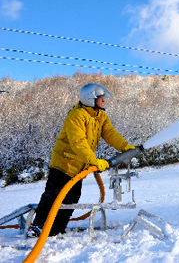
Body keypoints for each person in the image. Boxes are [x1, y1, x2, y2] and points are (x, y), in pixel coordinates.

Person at [27, 83, 135, 238]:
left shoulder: (100, 116)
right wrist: (94, 161)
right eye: (101, 97)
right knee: (53, 195)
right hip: (63, 164)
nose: (104, 100)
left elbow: (111, 133)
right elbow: (78, 143)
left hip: (78, 167)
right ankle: (38, 227)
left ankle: (56, 230)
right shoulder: (76, 115)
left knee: (71, 198)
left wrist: (125, 146)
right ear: (91, 99)